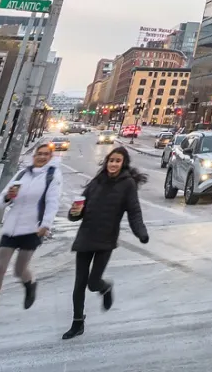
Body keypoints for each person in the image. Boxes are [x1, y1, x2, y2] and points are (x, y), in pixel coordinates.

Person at [0, 140, 65, 330]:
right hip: (11, 228)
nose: (41, 157)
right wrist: (8, 197)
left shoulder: (51, 177)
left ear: (50, 158)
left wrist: (45, 225)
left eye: (46, 155)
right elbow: (0, 202)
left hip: (33, 229)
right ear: (34, 156)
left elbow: (52, 202)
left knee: (19, 270)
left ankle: (30, 284)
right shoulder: (22, 174)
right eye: (39, 154)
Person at [64, 144, 148, 340]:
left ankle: (105, 287)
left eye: (118, 161)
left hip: (106, 240)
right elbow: (79, 207)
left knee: (93, 283)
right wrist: (74, 213)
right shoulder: (96, 182)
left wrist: (141, 232)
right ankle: (77, 323)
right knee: (79, 285)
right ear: (107, 162)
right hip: (86, 236)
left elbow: (134, 212)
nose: (113, 164)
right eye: (111, 160)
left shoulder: (128, 184)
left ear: (123, 163)